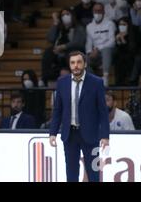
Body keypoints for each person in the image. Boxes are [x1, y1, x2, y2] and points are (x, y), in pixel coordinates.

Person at [49, 51, 109, 182]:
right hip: (69, 135)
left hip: (91, 135)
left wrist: (105, 135)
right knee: (71, 174)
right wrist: (53, 132)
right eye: (72, 63)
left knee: (94, 173)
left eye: (79, 62)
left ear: (85, 64)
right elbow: (58, 110)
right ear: (69, 65)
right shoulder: (62, 82)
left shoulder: (96, 82)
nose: (76, 65)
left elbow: (103, 111)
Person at [41, 8, 86, 85]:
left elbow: (78, 42)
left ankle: (71, 74)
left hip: (72, 50)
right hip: (59, 50)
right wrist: (55, 23)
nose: (65, 16)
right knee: (48, 52)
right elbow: (50, 38)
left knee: (72, 53)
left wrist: (64, 46)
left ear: (72, 16)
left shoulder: (78, 27)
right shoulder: (59, 28)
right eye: (63, 15)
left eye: (67, 14)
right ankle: (44, 78)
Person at [85, 3, 117, 86]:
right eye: (95, 11)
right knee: (83, 60)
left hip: (109, 50)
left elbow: (112, 41)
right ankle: (93, 81)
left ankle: (105, 78)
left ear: (103, 11)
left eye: (99, 11)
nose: (97, 13)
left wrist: (98, 49)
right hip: (95, 52)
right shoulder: (89, 26)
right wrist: (89, 52)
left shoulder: (110, 24)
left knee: (106, 50)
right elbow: (89, 42)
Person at [114, 17, 141, 85]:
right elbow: (119, 49)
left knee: (128, 58)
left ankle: (132, 81)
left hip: (135, 53)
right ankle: (119, 82)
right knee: (118, 58)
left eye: (124, 24)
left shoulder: (134, 32)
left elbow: (133, 49)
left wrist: (123, 40)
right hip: (123, 55)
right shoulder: (117, 33)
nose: (121, 26)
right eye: (120, 24)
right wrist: (118, 41)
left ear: (128, 25)